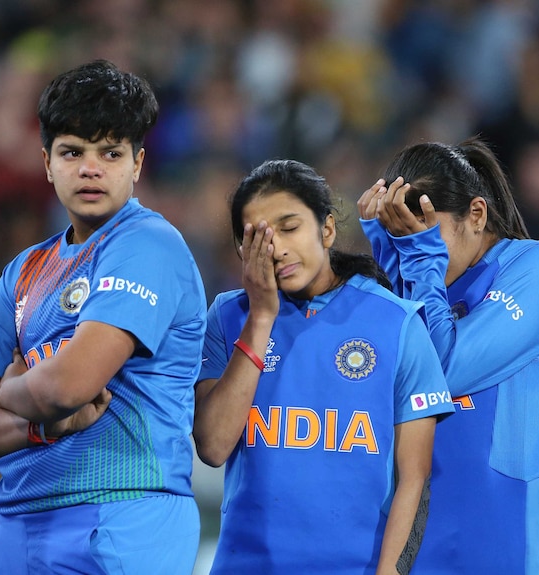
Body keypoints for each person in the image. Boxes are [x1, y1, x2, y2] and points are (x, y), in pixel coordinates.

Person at [0, 59, 207, 574]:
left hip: (122, 517)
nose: (90, 168)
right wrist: (38, 430)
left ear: (137, 165)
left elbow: (66, 387)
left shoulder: (147, 244)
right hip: (16, 522)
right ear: (47, 163)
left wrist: (8, 390)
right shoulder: (23, 270)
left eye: (110, 153)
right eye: (72, 152)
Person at [193, 159, 454, 575]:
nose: (276, 248)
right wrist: (261, 317)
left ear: (327, 229)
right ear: (242, 251)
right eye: (257, 236)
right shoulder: (228, 316)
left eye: (289, 227)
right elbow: (213, 445)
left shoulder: (398, 322)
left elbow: (415, 480)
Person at [357, 136, 539, 574]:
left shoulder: (535, 267)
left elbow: (440, 373)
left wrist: (415, 260)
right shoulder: (418, 275)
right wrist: (391, 261)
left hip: (487, 549)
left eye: (427, 233)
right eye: (401, 235)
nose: (417, 247)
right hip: (393, 541)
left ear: (476, 213)